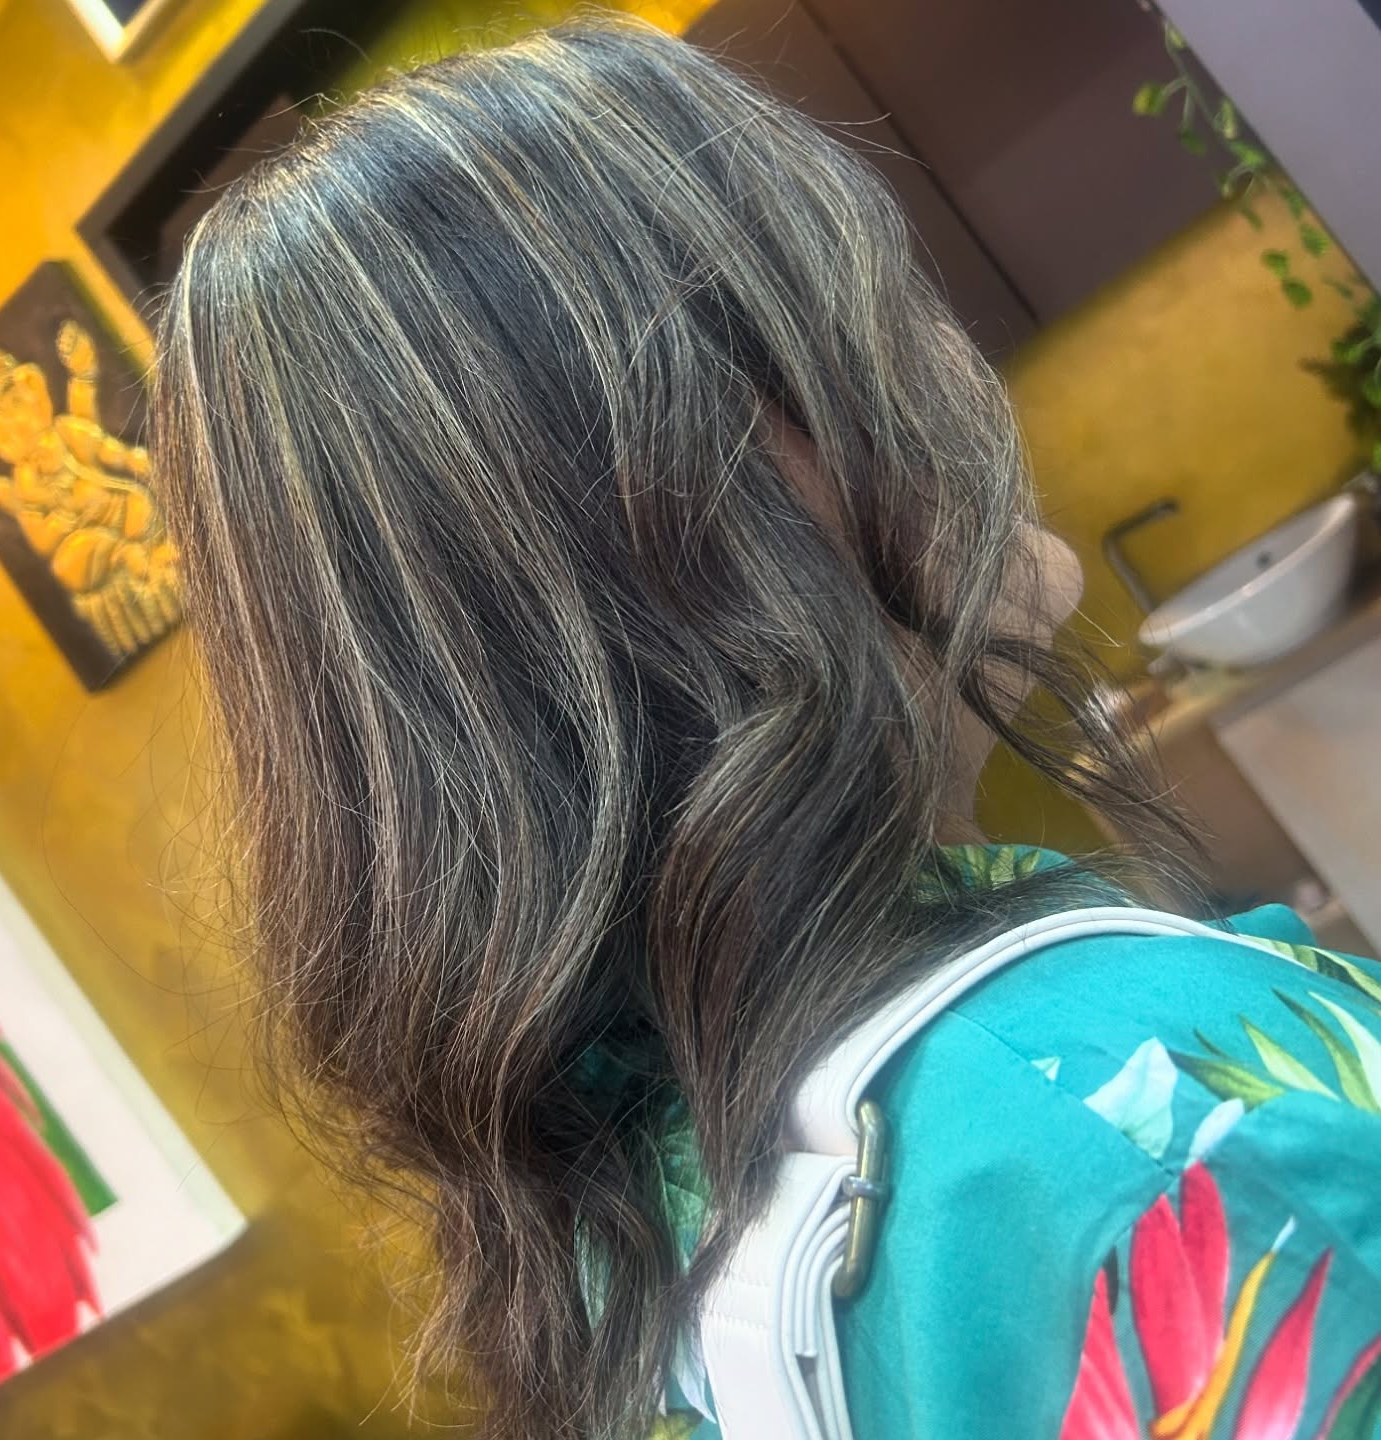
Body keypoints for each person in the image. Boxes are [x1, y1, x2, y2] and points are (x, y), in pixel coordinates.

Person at [151, 16, 1381, 1440]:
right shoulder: (1164, 1154)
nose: (950, 359)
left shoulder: (625, 1232)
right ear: (704, 476)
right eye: (874, 300)